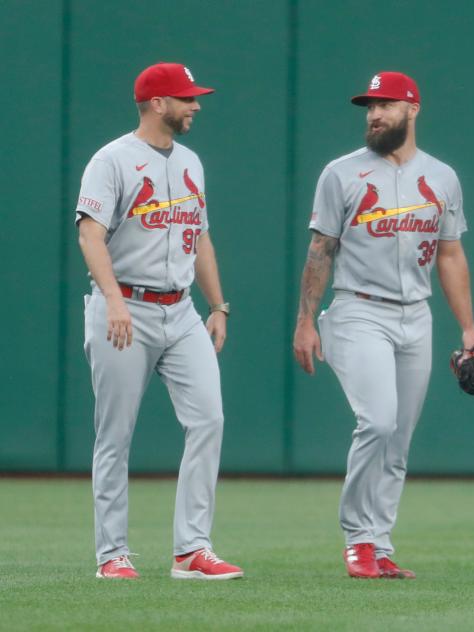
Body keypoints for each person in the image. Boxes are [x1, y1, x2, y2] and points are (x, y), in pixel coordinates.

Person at [293, 71, 474, 579]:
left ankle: (380, 544)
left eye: (385, 104)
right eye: (370, 106)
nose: (374, 113)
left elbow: (450, 254)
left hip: (416, 316)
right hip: (359, 309)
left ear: (413, 110)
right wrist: (305, 322)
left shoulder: (442, 176)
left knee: (399, 438)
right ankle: (357, 540)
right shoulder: (341, 173)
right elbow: (321, 249)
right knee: (377, 421)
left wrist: (468, 327)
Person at [76, 62, 242, 580]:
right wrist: (114, 300)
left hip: (181, 309)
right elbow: (90, 234)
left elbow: (201, 237)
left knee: (209, 418)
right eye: (186, 98)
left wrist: (218, 306)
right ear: (156, 103)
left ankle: (192, 550)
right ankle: (112, 555)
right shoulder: (112, 160)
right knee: (116, 435)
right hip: (124, 307)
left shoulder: (191, 161)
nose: (196, 105)